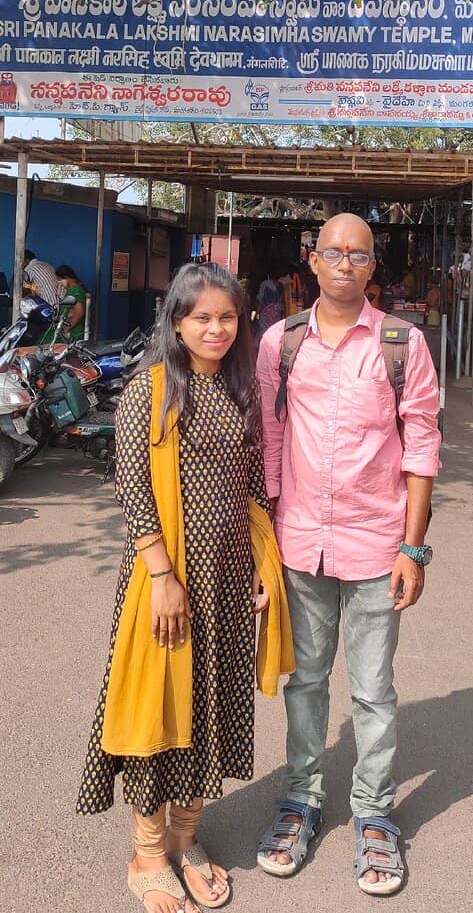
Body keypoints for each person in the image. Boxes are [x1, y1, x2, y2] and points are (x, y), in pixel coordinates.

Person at [77, 262, 291, 913]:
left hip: (225, 581)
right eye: (201, 317)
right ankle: (147, 852)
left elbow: (253, 487)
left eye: (227, 317)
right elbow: (133, 487)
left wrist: (262, 565)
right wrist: (163, 576)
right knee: (158, 710)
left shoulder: (240, 388)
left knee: (210, 709)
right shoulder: (151, 388)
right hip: (163, 582)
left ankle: (187, 838)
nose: (216, 328)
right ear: (176, 321)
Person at [256, 213, 441, 896]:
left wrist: (413, 548)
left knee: (371, 691)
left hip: (374, 544)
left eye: (356, 254)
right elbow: (270, 440)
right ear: (310, 261)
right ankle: (300, 800)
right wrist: (265, 544)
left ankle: (373, 814)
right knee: (303, 683)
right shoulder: (280, 342)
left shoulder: (401, 344)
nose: (342, 263)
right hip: (299, 544)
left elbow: (420, 447)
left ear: (371, 266)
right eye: (331, 252)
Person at [54, 264, 86, 340]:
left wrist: (66, 329)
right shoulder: (70, 290)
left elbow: (79, 313)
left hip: (73, 331)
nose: (59, 282)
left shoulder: (75, 291)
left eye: (59, 279)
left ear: (66, 277)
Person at [255, 266, 284, 336]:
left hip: (266, 312)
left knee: (264, 331)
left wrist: (257, 313)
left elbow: (260, 299)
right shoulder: (281, 285)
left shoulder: (265, 284)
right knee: (274, 330)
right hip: (277, 311)